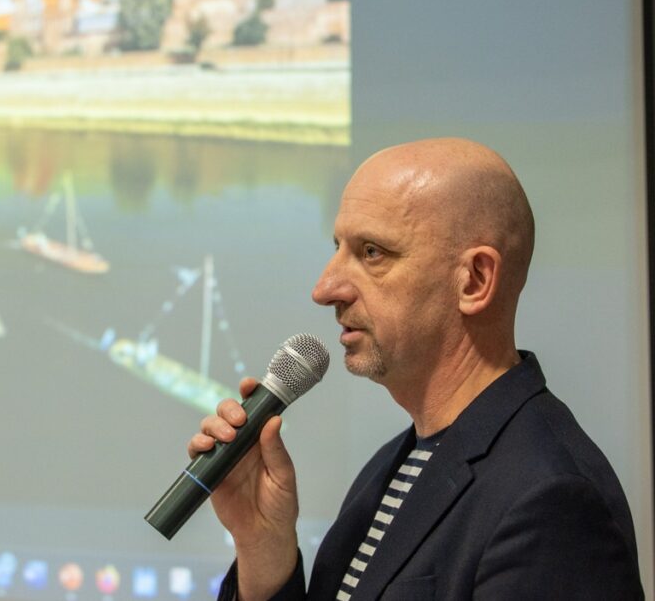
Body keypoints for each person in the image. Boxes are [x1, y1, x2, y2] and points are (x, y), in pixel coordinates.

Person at [190, 138, 644, 599]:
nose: (325, 288)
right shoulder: (393, 462)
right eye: (337, 248)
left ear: (475, 280)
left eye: (372, 253)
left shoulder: (552, 501)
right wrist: (264, 550)